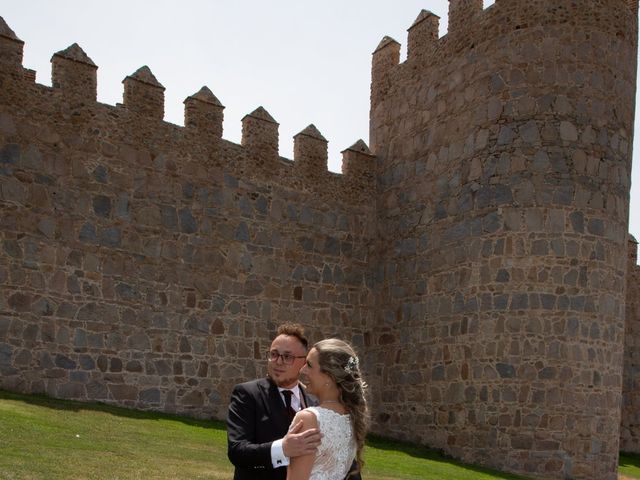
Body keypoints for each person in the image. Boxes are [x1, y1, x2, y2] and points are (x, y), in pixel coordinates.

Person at [227, 323, 322, 480]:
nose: (278, 362)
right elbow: (237, 452)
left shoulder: (314, 402)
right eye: (274, 354)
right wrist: (282, 449)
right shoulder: (247, 394)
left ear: (304, 362)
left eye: (287, 357)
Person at [287, 338, 368, 480]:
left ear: (328, 377)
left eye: (309, 365)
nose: (302, 370)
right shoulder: (351, 416)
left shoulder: (308, 418)